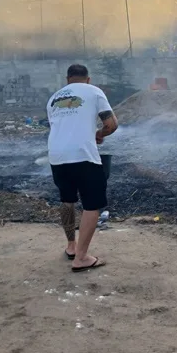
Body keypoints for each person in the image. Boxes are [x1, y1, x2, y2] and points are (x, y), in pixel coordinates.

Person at [47, 64, 118, 272]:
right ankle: (81, 258)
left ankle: (71, 246)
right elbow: (111, 124)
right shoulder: (94, 91)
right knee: (91, 205)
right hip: (83, 155)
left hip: (56, 155)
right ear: (88, 79)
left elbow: (63, 127)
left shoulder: (53, 98)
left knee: (67, 200)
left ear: (67, 79)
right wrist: (100, 134)